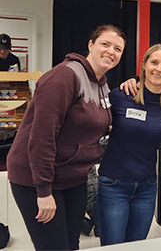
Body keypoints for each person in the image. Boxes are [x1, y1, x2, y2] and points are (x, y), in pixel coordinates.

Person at [6, 24, 126, 250]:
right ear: (91, 45)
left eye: (118, 49)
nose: (111, 51)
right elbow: (42, 137)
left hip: (73, 178)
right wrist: (43, 190)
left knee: (71, 245)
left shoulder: (102, 84)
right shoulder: (64, 76)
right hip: (35, 178)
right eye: (105, 44)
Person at [96, 44, 161, 246]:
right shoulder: (121, 95)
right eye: (154, 62)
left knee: (137, 246)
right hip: (113, 184)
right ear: (144, 65)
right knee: (113, 246)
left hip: (146, 188)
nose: (159, 69)